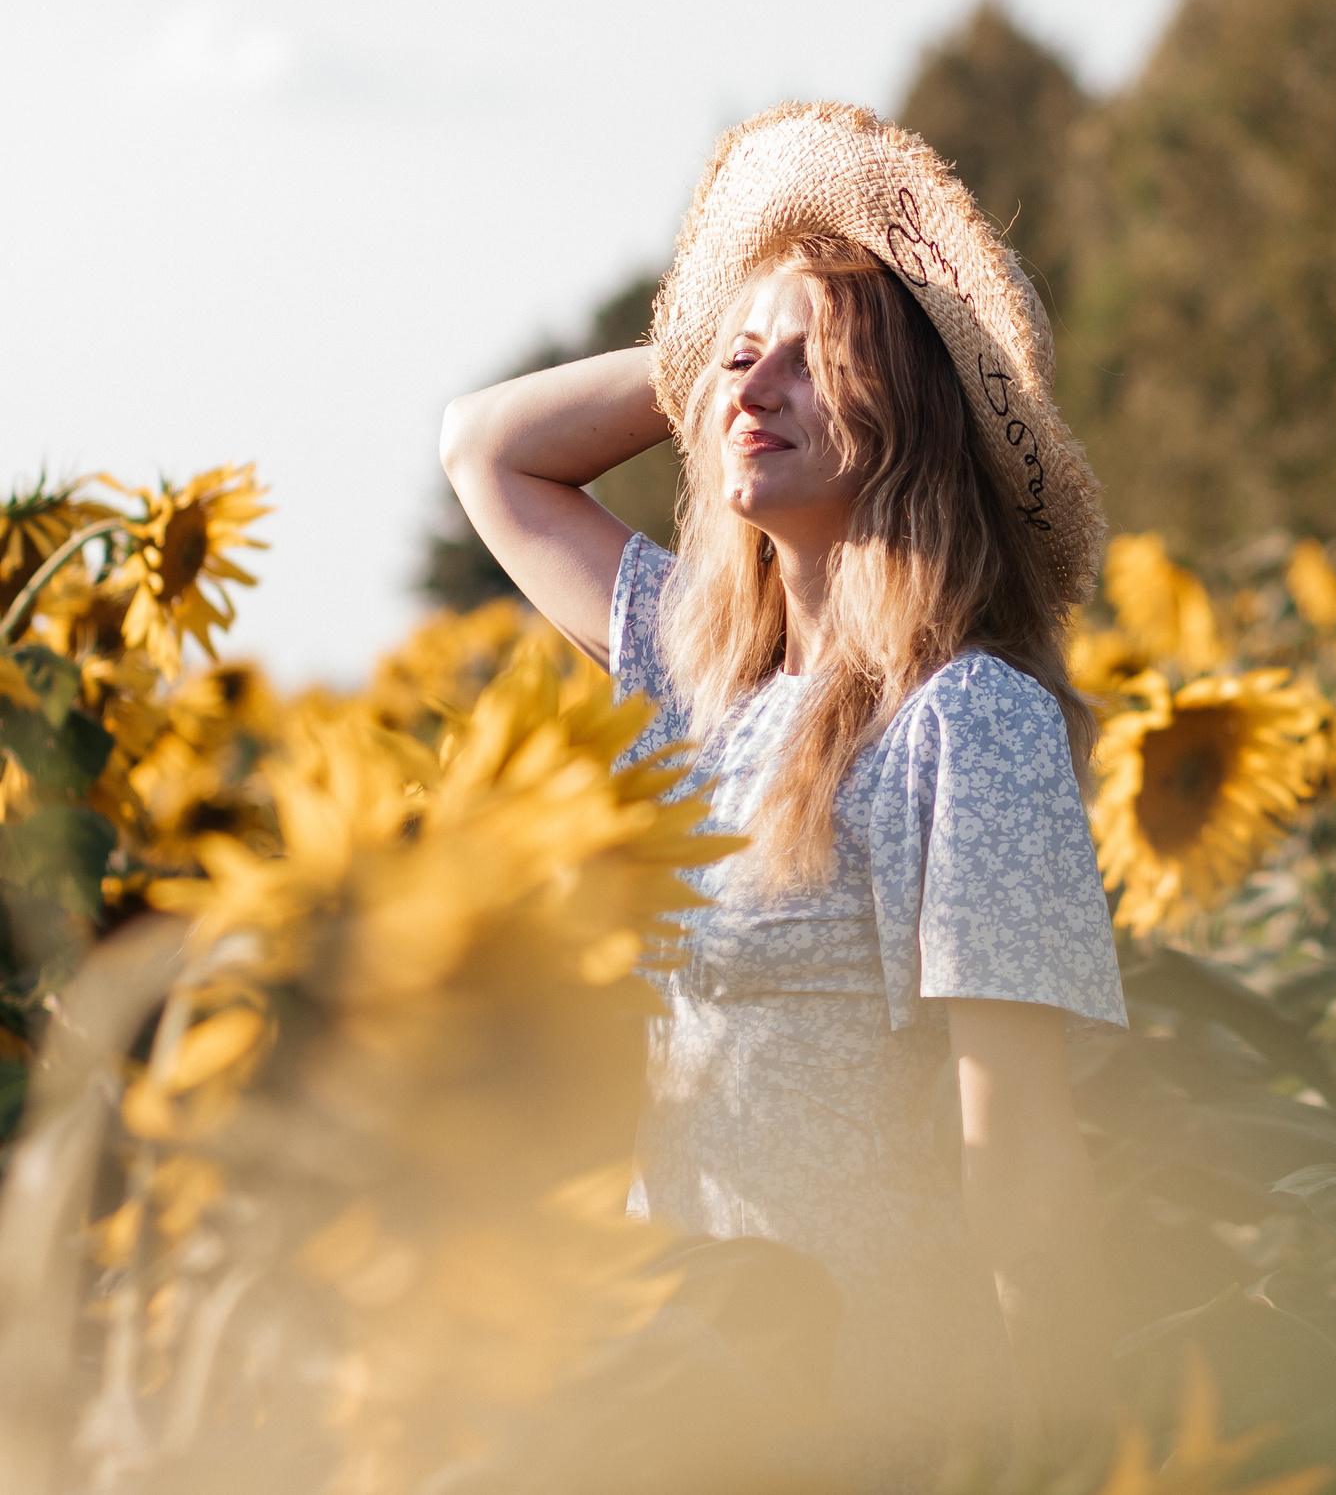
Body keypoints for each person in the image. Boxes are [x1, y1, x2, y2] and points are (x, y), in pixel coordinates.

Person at [438, 104, 1126, 1484]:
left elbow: (1021, 1154)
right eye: (740, 368)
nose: (753, 391)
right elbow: (484, 448)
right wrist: (717, 337)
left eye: (816, 365)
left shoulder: (967, 719)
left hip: (865, 1408)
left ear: (915, 404)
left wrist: (1069, 1454)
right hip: (677, 1400)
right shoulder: (698, 682)